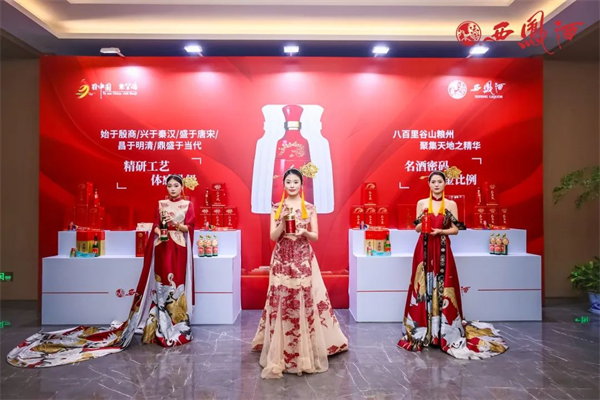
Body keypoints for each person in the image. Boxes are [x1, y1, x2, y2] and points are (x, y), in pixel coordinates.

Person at [7, 174, 196, 367]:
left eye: (176, 185)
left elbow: (190, 227)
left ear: (182, 187)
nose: (173, 189)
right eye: (169, 186)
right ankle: (159, 327)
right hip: (162, 248)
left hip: (179, 249)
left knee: (176, 285)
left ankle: (176, 326)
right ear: (166, 187)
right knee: (161, 285)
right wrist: (161, 232)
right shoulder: (160, 204)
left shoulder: (187, 205)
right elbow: (155, 225)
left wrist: (175, 225)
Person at [397, 171, 508, 359]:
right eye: (433, 182)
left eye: (439, 181)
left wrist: (440, 231)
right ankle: (424, 330)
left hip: (442, 248)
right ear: (429, 184)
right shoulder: (422, 203)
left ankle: (443, 332)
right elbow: (416, 228)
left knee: (444, 285)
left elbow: (456, 230)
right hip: (424, 249)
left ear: (444, 183)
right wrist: (424, 222)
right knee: (422, 286)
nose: (436, 184)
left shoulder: (451, 204)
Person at [251, 167, 348, 378]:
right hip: (282, 257)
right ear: (283, 185)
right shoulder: (276, 208)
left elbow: (315, 236)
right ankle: (282, 347)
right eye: (288, 182)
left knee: (304, 298)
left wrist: (304, 232)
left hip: (303, 257)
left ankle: (305, 349)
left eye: (296, 182)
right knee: (282, 299)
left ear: (301, 185)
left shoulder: (309, 208)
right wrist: (283, 224)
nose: (292, 185)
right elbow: (273, 236)